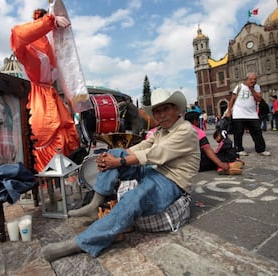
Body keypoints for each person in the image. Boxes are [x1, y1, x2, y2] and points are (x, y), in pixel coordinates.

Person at [41, 89, 200, 261]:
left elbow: (155, 153)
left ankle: (80, 243)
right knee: (116, 151)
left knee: (134, 197)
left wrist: (119, 162)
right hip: (156, 171)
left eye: (166, 109)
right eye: (157, 111)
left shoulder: (186, 131)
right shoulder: (161, 131)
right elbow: (143, 146)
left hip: (172, 181)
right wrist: (115, 156)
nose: (161, 115)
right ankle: (95, 203)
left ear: (177, 110)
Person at [10, 8, 80, 172]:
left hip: (51, 97)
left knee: (65, 133)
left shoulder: (53, 45)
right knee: (43, 133)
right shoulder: (30, 44)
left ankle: (66, 178)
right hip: (38, 99)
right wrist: (49, 22)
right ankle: (46, 182)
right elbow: (17, 34)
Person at [225, 72, 271, 156]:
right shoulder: (239, 86)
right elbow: (232, 99)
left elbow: (258, 99)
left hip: (252, 114)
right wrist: (228, 111)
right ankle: (239, 149)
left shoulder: (256, 87)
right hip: (238, 113)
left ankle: (260, 149)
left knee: (257, 132)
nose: (253, 81)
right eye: (251, 79)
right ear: (246, 79)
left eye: (255, 79)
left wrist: (252, 89)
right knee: (238, 132)